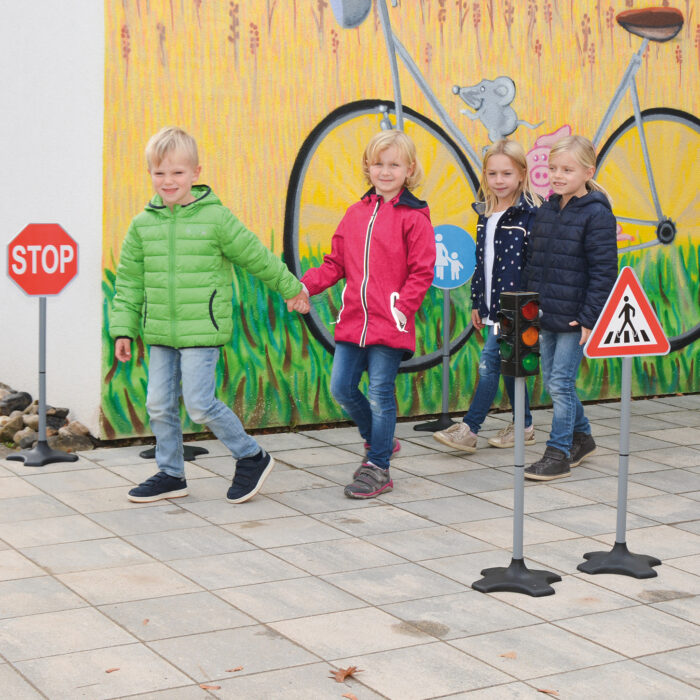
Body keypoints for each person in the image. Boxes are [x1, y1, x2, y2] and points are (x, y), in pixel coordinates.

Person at [110, 126, 309, 503]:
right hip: (159, 334)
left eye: (177, 173)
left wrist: (291, 288)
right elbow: (129, 282)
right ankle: (171, 473)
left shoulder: (216, 219)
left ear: (196, 173)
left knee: (200, 404)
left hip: (202, 328)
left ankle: (251, 455)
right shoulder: (142, 226)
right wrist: (124, 329)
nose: (168, 181)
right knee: (158, 404)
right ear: (150, 174)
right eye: (159, 173)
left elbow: (257, 256)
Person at [301, 130, 435, 498]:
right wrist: (304, 287)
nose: (386, 171)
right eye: (379, 163)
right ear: (368, 167)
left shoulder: (414, 217)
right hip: (353, 322)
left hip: (390, 324)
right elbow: (334, 264)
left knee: (380, 392)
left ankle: (378, 467)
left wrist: (400, 307)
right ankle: (380, 440)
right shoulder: (355, 214)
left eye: (394, 164)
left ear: (409, 169)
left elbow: (423, 271)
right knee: (341, 388)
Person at [521, 134, 618, 481]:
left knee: (561, 383)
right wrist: (530, 306)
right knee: (554, 382)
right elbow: (535, 262)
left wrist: (591, 317)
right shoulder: (548, 209)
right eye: (552, 168)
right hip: (547, 313)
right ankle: (583, 437)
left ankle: (558, 452)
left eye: (567, 169)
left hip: (577, 317)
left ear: (588, 171)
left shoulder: (596, 215)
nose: (557, 175)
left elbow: (604, 271)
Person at [434, 139, 540, 453]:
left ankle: (470, 428)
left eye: (506, 173)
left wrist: (531, 306)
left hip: (518, 307)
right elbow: (483, 263)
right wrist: (477, 303)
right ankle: (524, 425)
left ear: (521, 174)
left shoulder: (530, 216)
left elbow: (535, 265)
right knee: (509, 365)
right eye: (492, 174)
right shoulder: (487, 213)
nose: (499, 180)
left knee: (489, 363)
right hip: (494, 307)